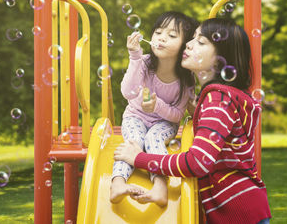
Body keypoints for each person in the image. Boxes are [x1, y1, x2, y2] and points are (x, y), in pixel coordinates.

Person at [114, 18, 272, 223]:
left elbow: (197, 162)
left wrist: (139, 158)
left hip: (238, 212)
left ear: (219, 60)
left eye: (201, 41)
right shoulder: (218, 98)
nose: (189, 43)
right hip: (238, 209)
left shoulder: (218, 101)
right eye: (192, 38)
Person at [110, 11, 199, 207]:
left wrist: (157, 105)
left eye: (172, 35)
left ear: (185, 46)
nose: (162, 38)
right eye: (158, 32)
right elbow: (127, 92)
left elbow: (177, 115)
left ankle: (160, 187)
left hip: (165, 123)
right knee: (134, 142)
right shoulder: (144, 62)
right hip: (135, 116)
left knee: (153, 139)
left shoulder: (186, 78)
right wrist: (134, 57)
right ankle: (117, 184)